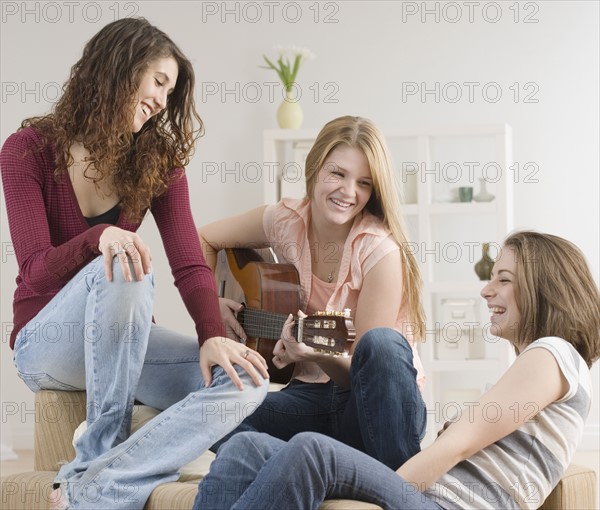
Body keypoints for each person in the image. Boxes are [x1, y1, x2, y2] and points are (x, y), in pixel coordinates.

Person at [0, 18, 268, 509]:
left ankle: (98, 484)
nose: (164, 101)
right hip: (47, 341)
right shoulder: (28, 150)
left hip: (121, 342)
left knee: (245, 378)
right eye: (159, 82)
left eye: (172, 91)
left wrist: (212, 335)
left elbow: (189, 263)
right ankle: (94, 457)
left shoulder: (158, 162)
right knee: (125, 263)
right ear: (119, 69)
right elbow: (36, 269)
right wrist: (100, 236)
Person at [193, 230, 600, 510]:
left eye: (504, 279)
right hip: (434, 500)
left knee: (312, 451)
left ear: (544, 288)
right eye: (491, 278)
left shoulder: (554, 353)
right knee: (245, 449)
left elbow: (455, 446)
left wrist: (383, 495)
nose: (486, 289)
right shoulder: (548, 363)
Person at [198, 115, 427, 469]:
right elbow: (203, 239)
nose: (349, 192)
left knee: (380, 343)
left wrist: (319, 354)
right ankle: (315, 466)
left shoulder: (380, 251)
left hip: (373, 406)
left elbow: (364, 373)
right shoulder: (285, 219)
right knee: (214, 413)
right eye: (338, 173)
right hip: (309, 400)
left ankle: (398, 486)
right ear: (315, 167)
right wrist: (211, 305)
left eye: (364, 183)